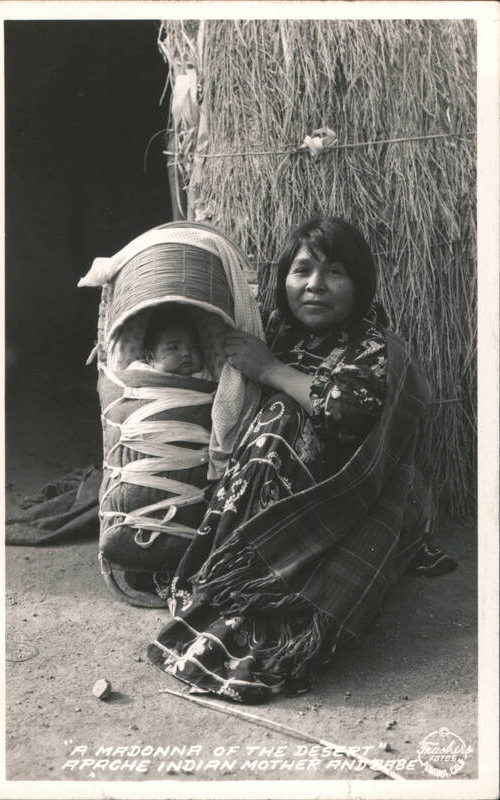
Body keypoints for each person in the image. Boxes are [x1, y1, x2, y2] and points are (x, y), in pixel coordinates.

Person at [148, 216, 431, 703]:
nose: (315, 285)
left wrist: (272, 370)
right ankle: (235, 576)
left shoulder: (377, 348)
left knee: (282, 416)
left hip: (336, 510)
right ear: (284, 281)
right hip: (257, 505)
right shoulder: (270, 331)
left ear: (360, 284)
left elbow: (346, 413)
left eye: (334, 272)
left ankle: (264, 586)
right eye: (302, 271)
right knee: (275, 417)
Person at [128, 309, 205, 377]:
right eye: (174, 347)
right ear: (151, 358)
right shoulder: (139, 373)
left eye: (194, 346)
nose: (186, 353)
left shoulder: (205, 378)